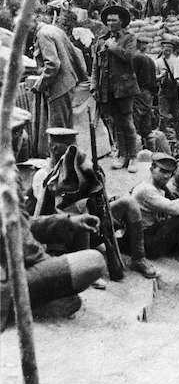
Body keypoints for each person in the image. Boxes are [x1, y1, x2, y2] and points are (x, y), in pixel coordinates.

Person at [1, 108, 106, 330]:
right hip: (6, 279)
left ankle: (34, 301)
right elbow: (21, 242)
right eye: (14, 133)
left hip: (8, 268)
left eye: (20, 132)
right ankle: (20, 304)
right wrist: (48, 263)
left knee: (69, 288)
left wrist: (67, 222)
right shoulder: (5, 179)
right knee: (93, 261)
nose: (20, 139)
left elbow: (20, 225)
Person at [32, 127, 158, 279]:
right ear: (53, 147)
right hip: (64, 233)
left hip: (93, 226)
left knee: (128, 203)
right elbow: (47, 210)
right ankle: (87, 271)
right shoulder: (43, 174)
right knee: (81, 207)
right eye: (69, 146)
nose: (75, 151)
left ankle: (139, 258)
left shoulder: (79, 169)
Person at [90, 5, 139, 172]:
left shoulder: (129, 38)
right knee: (116, 123)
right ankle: (123, 155)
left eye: (114, 20)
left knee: (127, 121)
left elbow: (130, 57)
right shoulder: (101, 40)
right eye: (108, 20)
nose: (110, 23)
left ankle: (133, 157)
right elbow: (96, 66)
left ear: (122, 21)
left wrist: (114, 47)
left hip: (125, 88)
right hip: (107, 88)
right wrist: (94, 86)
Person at [31, 18, 88, 129]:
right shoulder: (54, 29)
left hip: (59, 88)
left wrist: (40, 85)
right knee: (66, 127)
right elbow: (76, 52)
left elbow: (53, 64)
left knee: (58, 130)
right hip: (68, 83)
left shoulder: (43, 35)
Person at [155, 35, 179, 147]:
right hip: (164, 91)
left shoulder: (176, 60)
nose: (167, 52)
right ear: (162, 50)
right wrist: (161, 76)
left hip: (174, 90)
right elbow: (154, 77)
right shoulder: (158, 62)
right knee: (163, 116)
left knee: (177, 116)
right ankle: (161, 138)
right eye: (166, 50)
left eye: (170, 50)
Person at [132, 35, 157, 152]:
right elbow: (154, 80)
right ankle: (151, 152)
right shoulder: (151, 60)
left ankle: (136, 154)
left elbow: (131, 77)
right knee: (147, 123)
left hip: (137, 92)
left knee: (134, 122)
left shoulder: (135, 58)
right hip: (148, 94)